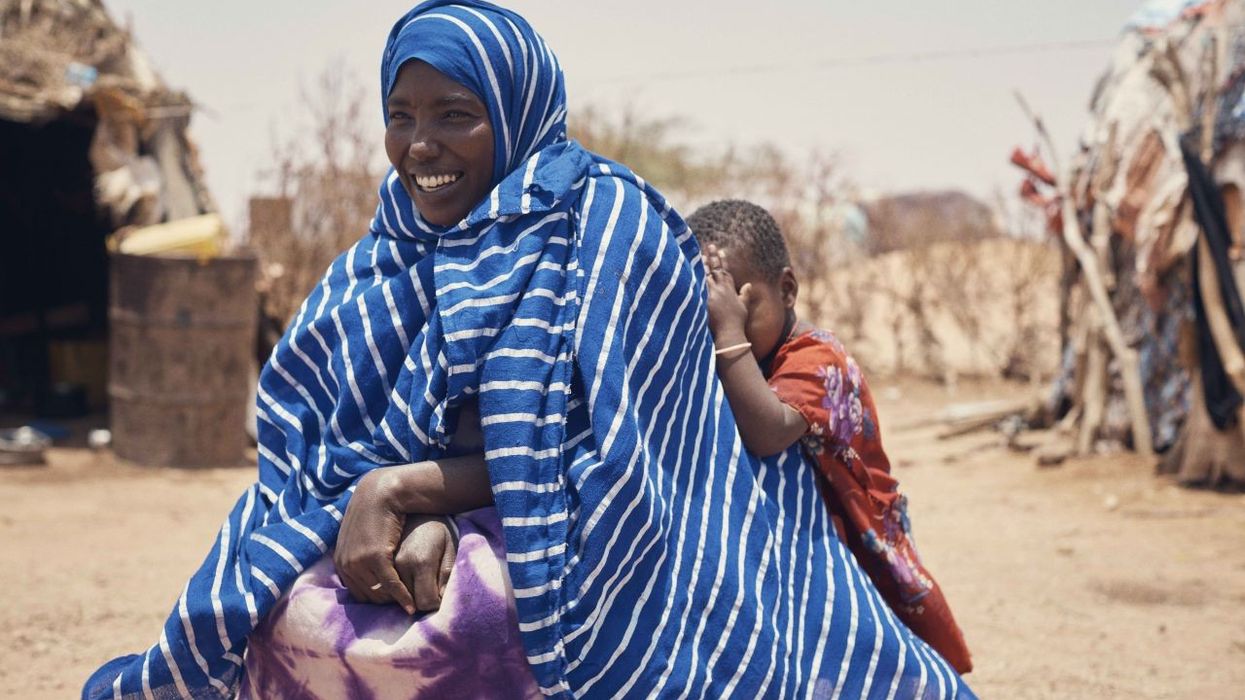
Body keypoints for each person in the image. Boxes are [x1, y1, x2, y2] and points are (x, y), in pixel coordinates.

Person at [84, 3, 976, 698]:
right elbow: (314, 444)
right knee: (265, 609)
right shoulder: (381, 258)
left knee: (477, 635)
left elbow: (624, 452)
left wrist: (404, 489)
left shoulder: (607, 227)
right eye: (400, 115)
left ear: (515, 111)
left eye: (455, 115)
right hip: (414, 524)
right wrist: (382, 505)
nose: (420, 145)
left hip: (617, 539)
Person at [690, 199, 973, 673]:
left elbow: (767, 432)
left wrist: (728, 334)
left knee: (881, 648)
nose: (724, 320)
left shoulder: (819, 359)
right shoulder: (755, 358)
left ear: (787, 289)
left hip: (859, 533)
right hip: (813, 540)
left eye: (741, 303)